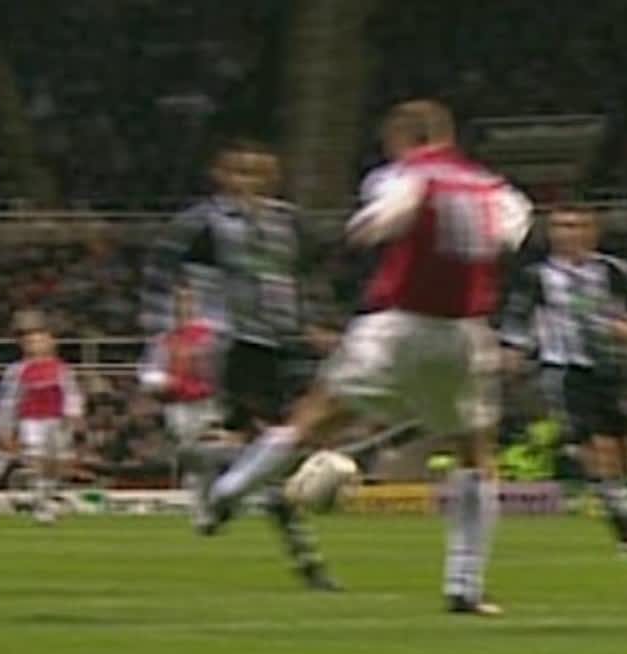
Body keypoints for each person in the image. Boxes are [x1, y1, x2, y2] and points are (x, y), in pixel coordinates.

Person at [207, 100, 533, 616]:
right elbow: (508, 235)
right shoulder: (493, 188)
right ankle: (465, 586)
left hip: (395, 323)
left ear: (400, 139)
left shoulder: (404, 175)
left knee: (314, 419)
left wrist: (371, 227)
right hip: (463, 331)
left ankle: (228, 490)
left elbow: (379, 220)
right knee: (475, 454)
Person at [141, 137, 340, 591]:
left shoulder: (289, 223)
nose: (249, 182)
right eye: (239, 171)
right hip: (234, 347)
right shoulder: (202, 224)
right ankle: (307, 561)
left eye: (259, 173)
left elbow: (310, 278)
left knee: (280, 452)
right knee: (275, 447)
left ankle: (212, 477)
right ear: (220, 175)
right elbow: (158, 278)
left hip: (287, 348)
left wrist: (318, 324)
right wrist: (165, 339)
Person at [500, 204, 627, 550]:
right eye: (561, 226)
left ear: (593, 232)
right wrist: (513, 351)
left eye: (577, 226)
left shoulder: (614, 270)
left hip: (616, 367)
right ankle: (624, 523)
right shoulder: (537, 276)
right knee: (596, 446)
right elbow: (517, 315)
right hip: (566, 368)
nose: (569, 233)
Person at [138, 286, 229, 528]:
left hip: (207, 402)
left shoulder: (210, 337)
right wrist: (163, 381)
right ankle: (202, 506)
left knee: (208, 453)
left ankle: (206, 508)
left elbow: (224, 367)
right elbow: (148, 372)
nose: (185, 307)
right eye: (181, 302)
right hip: (179, 405)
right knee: (194, 454)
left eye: (190, 301)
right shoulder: (165, 340)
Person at [0, 313, 84, 525]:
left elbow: (72, 394)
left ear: (50, 343)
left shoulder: (61, 368)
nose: (37, 345)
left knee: (55, 464)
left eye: (41, 341)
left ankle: (44, 498)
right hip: (31, 421)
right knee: (38, 461)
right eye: (31, 342)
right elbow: (7, 401)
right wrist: (3, 429)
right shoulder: (17, 371)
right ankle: (42, 504)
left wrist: (74, 416)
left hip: (57, 420)